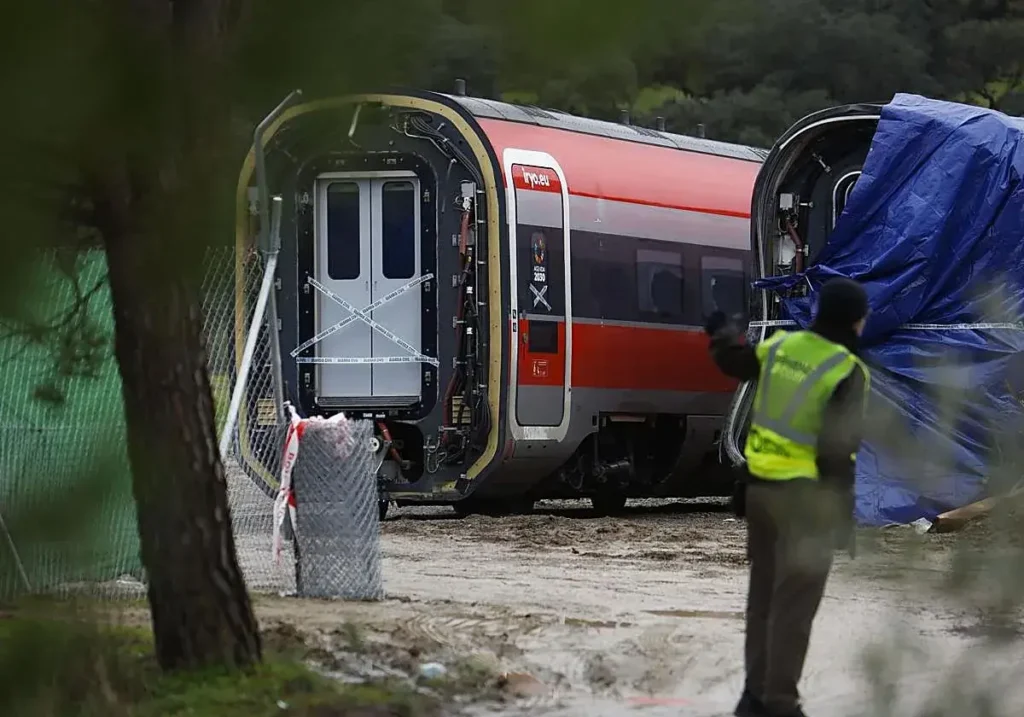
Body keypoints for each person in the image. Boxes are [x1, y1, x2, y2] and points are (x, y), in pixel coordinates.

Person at [705, 277, 871, 717]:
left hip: (758, 492)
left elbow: (732, 361)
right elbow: (838, 453)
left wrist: (720, 333)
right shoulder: (847, 369)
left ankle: (753, 697)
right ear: (857, 321)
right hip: (805, 501)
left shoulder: (781, 347)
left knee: (762, 601)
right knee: (795, 607)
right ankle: (780, 703)